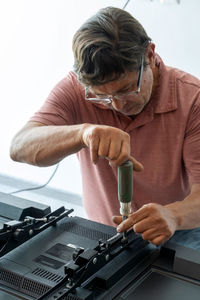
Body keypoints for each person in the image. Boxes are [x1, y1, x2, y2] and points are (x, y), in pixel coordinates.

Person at [10, 7, 200, 247]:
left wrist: (174, 215)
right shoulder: (77, 88)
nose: (117, 105)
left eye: (126, 89)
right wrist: (82, 133)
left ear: (150, 55)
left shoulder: (193, 99)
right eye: (102, 97)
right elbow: (19, 147)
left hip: (177, 230)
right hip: (103, 230)